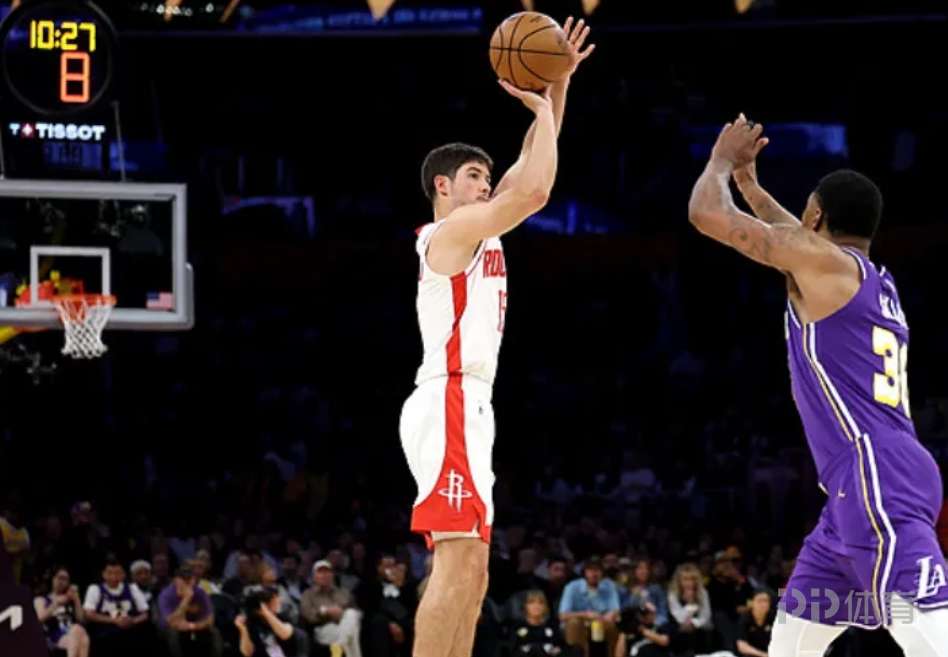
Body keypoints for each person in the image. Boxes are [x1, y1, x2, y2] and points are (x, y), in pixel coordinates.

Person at [688, 114, 948, 656]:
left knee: (930, 638)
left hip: (876, 475)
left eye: (806, 212)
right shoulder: (870, 279)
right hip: (862, 484)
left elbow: (706, 214)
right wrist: (752, 186)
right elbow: (794, 241)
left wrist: (719, 161)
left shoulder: (824, 264)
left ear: (816, 215)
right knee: (792, 644)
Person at [398, 16, 594, 657]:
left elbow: (535, 160)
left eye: (489, 177)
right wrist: (539, 103)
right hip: (449, 396)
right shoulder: (448, 234)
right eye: (475, 177)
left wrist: (559, 83)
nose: (487, 184)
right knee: (456, 561)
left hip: (471, 402)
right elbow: (535, 190)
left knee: (476, 568)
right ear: (443, 187)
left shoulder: (481, 226)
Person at [234, 585, 306, 657]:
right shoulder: (250, 624)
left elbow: (285, 634)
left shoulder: (282, 617)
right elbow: (247, 653)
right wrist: (243, 630)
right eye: (274, 598)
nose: (279, 600)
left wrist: (266, 612)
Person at [34, 567, 89, 657]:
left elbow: (81, 620)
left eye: (65, 579)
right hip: (54, 636)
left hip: (72, 634)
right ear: (52, 579)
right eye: (59, 578)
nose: (62, 582)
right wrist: (56, 604)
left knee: (80, 633)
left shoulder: (71, 600)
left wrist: (76, 600)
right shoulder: (41, 599)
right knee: (79, 633)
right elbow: (40, 618)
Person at [736, 590, 774, 657]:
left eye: (766, 601)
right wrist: (763, 655)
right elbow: (741, 646)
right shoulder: (744, 618)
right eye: (759, 601)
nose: (763, 604)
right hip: (752, 654)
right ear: (751, 603)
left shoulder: (774, 617)